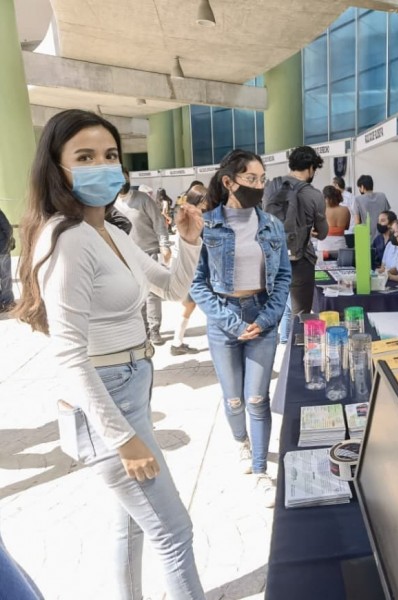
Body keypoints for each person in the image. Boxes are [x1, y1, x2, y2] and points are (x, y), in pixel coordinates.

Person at [13, 109, 205, 599]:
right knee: (173, 531)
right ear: (57, 169)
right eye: (85, 156)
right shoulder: (70, 241)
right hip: (107, 398)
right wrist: (122, 438)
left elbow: (171, 288)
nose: (102, 165)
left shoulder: (109, 231)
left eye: (110, 155)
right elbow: (68, 355)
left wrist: (187, 240)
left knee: (134, 526)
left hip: (132, 382)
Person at [191, 149, 291, 508]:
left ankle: (261, 468)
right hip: (223, 318)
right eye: (252, 179)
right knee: (233, 398)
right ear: (229, 181)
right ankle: (240, 444)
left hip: (261, 313)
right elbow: (197, 284)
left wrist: (265, 320)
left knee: (256, 398)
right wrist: (233, 322)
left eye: (263, 179)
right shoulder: (207, 224)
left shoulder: (271, 225)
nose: (259, 186)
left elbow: (282, 278)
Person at [264, 145, 327, 318]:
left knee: (272, 313)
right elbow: (322, 233)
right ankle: (296, 343)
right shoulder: (314, 194)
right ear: (311, 168)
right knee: (301, 315)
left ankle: (274, 342)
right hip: (301, 260)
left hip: (272, 258)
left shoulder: (271, 186)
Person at [115, 167, 172, 345]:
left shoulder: (143, 200)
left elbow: (159, 222)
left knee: (152, 294)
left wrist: (164, 245)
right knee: (135, 296)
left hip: (149, 253)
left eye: (125, 178)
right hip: (126, 256)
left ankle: (154, 330)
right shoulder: (111, 205)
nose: (122, 182)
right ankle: (142, 330)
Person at [171, 183, 209, 356]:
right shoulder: (195, 219)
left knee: (189, 306)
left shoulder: (187, 215)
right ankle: (176, 343)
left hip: (191, 270)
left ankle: (176, 343)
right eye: (205, 201)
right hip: (196, 271)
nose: (208, 204)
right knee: (205, 306)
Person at [354, 174, 391, 240]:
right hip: (383, 237)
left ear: (362, 187)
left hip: (367, 237)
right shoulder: (382, 196)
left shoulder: (358, 199)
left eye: (359, 187)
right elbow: (389, 216)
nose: (359, 189)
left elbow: (357, 222)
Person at [317, 185, 350, 256]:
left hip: (324, 245)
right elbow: (347, 227)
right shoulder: (345, 210)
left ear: (326, 198)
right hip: (340, 244)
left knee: (322, 266)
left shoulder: (321, 210)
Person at [0, 206, 15, 312]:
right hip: (2, 249)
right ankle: (7, 302)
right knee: (6, 277)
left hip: (2, 249)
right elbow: (8, 228)